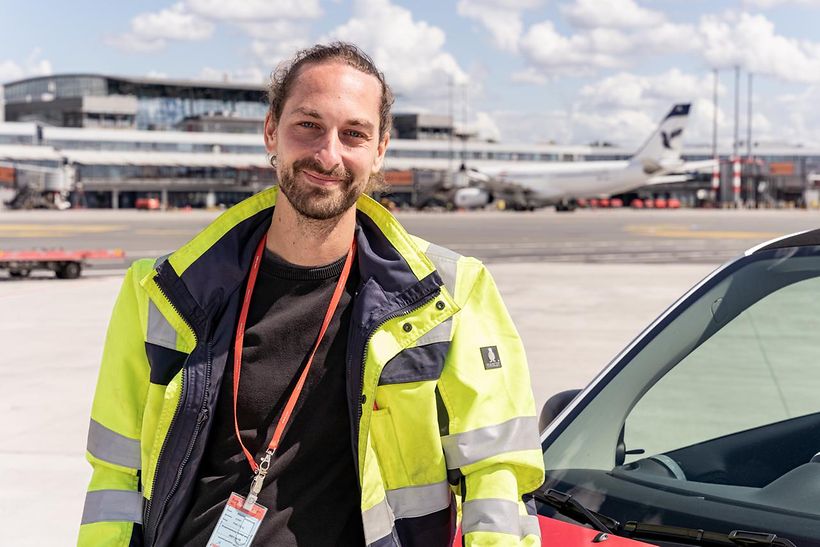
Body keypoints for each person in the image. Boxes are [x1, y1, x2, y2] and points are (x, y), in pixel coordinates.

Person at [79, 42, 544, 547]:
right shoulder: (163, 293)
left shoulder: (450, 295)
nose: (329, 154)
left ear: (380, 149)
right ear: (270, 131)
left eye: (354, 134)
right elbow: (116, 478)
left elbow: (496, 477)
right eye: (308, 125)